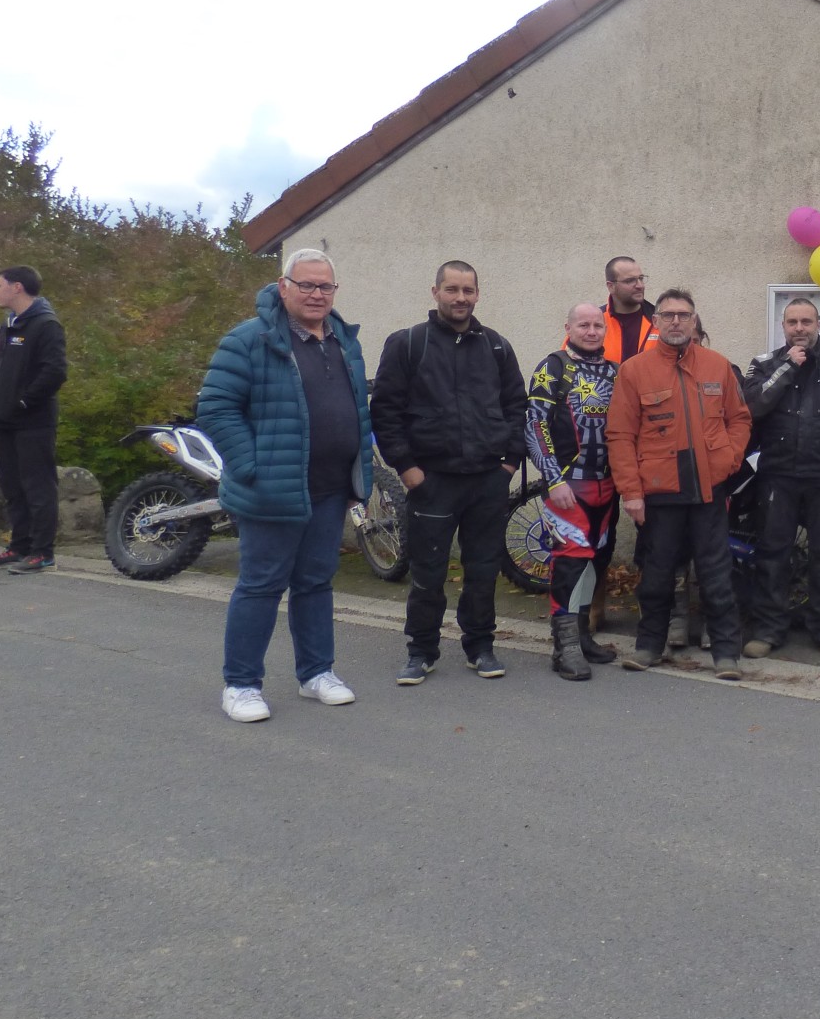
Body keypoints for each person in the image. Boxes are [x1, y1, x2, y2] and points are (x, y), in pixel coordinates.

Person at [197, 249, 372, 722]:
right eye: (306, 284)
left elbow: (357, 410)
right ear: (283, 287)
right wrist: (251, 466)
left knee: (315, 583)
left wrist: (359, 473)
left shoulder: (344, 341)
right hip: (271, 490)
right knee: (261, 586)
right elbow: (215, 408)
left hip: (330, 488)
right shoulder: (249, 339)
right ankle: (240, 685)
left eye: (325, 286)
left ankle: (316, 673)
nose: (317, 294)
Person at [372, 261, 529, 685]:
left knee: (483, 571)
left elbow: (517, 407)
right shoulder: (408, 344)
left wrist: (509, 464)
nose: (460, 298)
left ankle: (480, 647)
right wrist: (407, 468)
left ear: (477, 294)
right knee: (427, 574)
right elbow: (385, 411)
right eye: (452, 289)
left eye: (468, 290)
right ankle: (421, 652)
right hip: (432, 482)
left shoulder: (497, 347)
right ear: (435, 292)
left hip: (487, 481)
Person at [607, 287, 752, 677]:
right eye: (668, 315)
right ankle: (648, 647)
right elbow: (620, 436)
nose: (676, 321)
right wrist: (631, 493)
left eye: (683, 315)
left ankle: (726, 653)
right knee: (657, 575)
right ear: (656, 321)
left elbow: (740, 419)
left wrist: (729, 458)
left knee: (716, 575)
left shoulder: (718, 366)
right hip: (660, 493)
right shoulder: (634, 371)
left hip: (708, 490)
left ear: (694, 321)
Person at [740, 296, 820, 659]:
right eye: (793, 322)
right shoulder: (764, 364)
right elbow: (752, 408)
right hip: (776, 476)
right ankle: (768, 629)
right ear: (783, 327)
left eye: (806, 322)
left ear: (818, 325)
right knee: (772, 555)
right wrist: (787, 366)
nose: (800, 329)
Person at [526, 302, 623, 680]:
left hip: (608, 486)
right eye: (584, 325)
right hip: (568, 485)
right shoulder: (552, 367)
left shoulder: (616, 371)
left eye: (598, 325)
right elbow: (535, 426)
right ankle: (563, 648)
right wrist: (553, 479)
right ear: (568, 328)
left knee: (595, 560)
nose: (592, 331)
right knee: (569, 563)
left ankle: (582, 636)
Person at [0, 266, 68, 574]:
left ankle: (42, 552)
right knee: (12, 487)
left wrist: (25, 401)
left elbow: (55, 371)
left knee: (38, 487)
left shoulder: (46, 324)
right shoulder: (8, 324)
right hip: (3, 420)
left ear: (17, 287)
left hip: (33, 421)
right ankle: (19, 546)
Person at [601, 256, 658, 365]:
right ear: (611, 286)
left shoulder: (660, 320)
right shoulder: (594, 322)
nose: (640, 286)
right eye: (630, 281)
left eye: (641, 278)